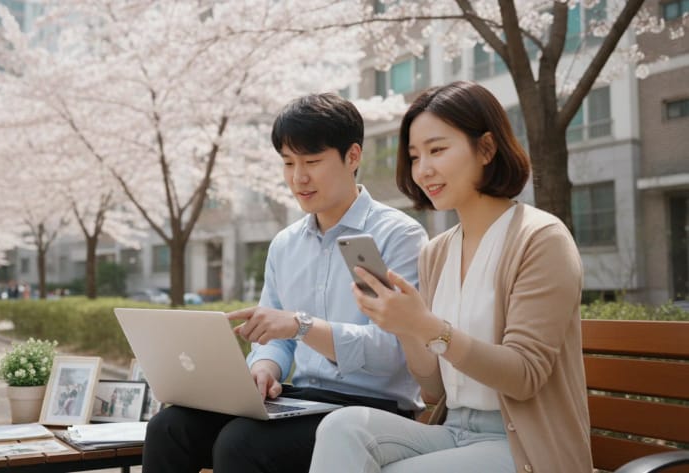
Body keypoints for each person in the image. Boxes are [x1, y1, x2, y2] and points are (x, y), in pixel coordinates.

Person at [309, 81, 592, 473]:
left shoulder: (540, 239)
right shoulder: (437, 251)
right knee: (342, 427)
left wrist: (427, 325)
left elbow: (525, 376)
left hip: (525, 444)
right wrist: (406, 327)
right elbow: (435, 390)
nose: (424, 170)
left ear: (487, 148)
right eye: (414, 156)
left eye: (438, 150)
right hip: (454, 431)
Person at [142, 93, 429, 473]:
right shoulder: (286, 244)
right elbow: (275, 340)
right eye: (288, 163)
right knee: (170, 426)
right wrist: (264, 369)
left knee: (242, 443)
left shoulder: (398, 236)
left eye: (312, 162)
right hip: (301, 401)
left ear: (353, 156)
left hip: (372, 407)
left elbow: (394, 352)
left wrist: (301, 326)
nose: (299, 178)